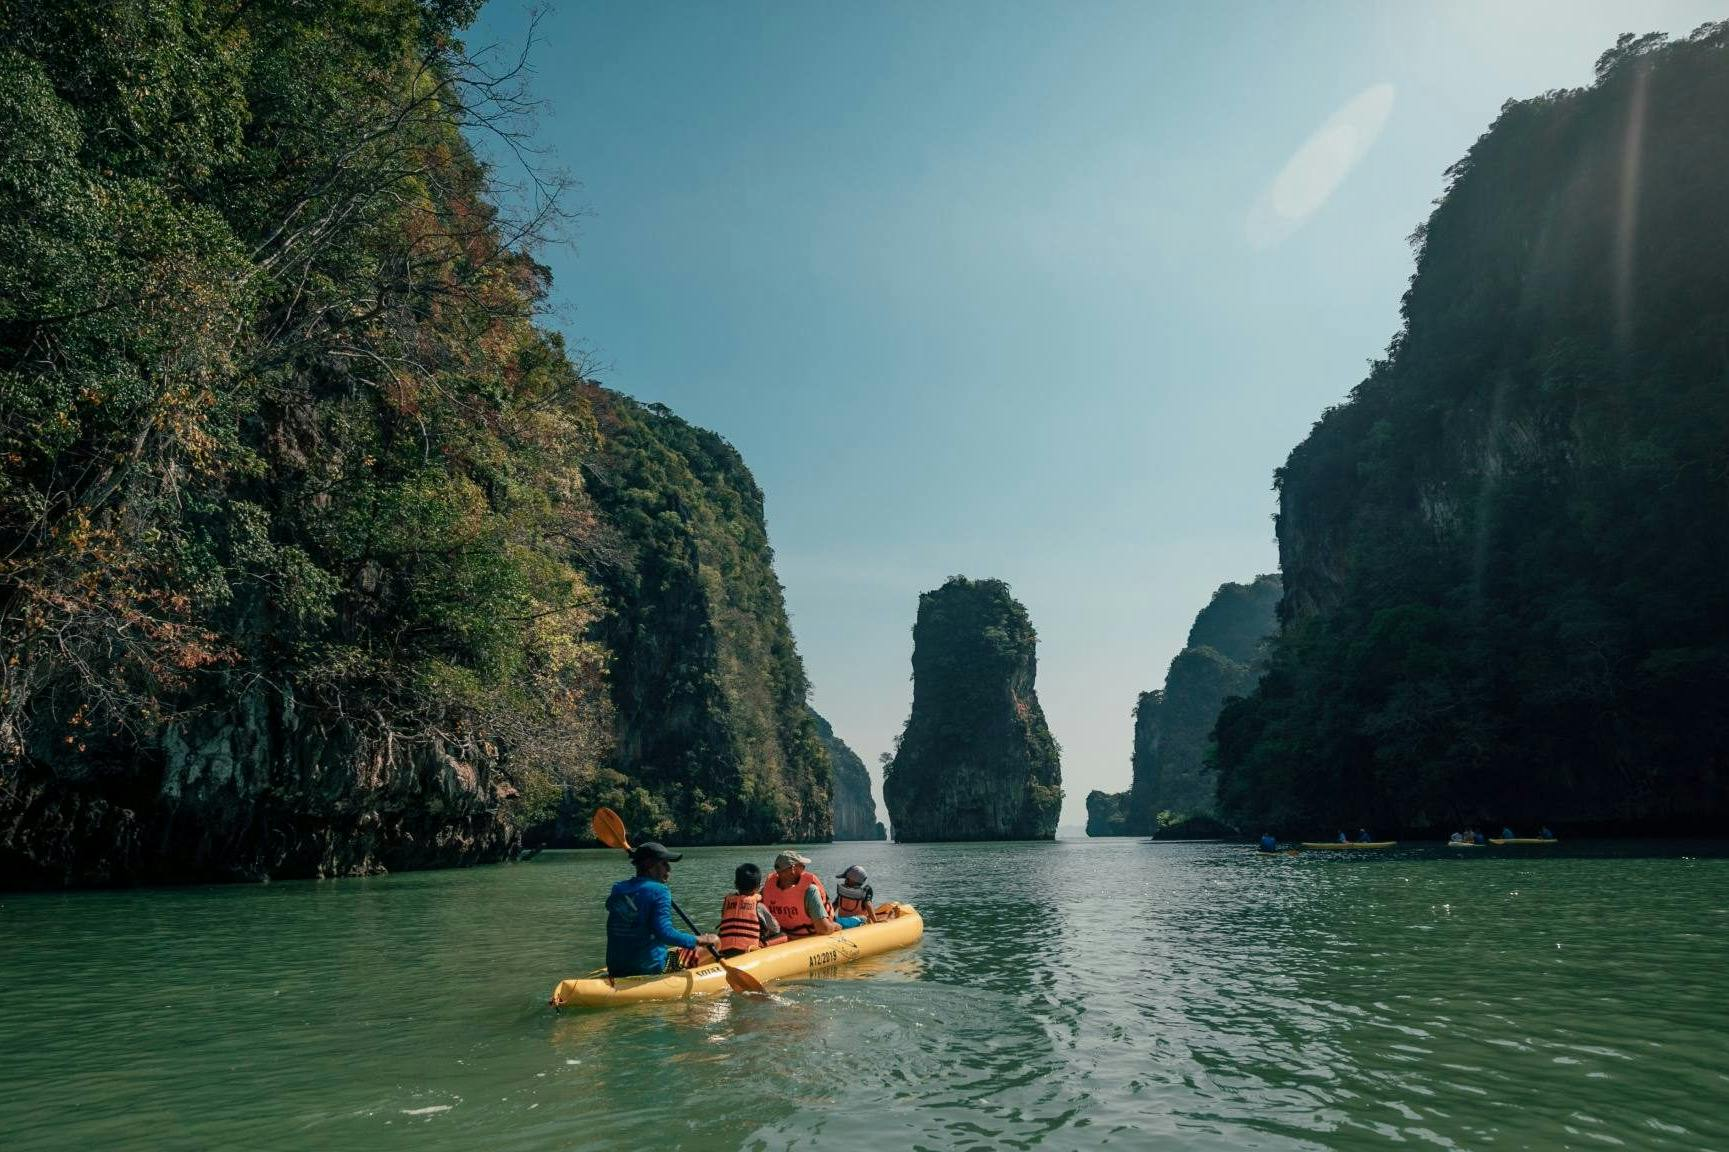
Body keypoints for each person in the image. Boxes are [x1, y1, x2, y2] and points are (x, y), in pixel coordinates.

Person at [604, 841, 719, 978]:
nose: (669, 869)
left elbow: (613, 907)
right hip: (652, 968)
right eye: (664, 864)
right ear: (650, 866)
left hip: (616, 968)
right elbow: (665, 934)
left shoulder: (618, 888)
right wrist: (699, 939)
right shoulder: (660, 891)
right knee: (716, 941)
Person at [760, 849, 838, 938]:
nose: (804, 869)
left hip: (780, 937)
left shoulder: (766, 889)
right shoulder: (810, 890)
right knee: (845, 923)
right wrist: (836, 926)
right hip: (805, 938)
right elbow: (823, 929)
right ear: (793, 868)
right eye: (802, 866)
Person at [715, 863, 785, 957]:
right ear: (758, 887)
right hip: (748, 951)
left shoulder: (727, 902)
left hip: (725, 950)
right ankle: (761, 946)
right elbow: (775, 929)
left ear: (736, 884)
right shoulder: (758, 905)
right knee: (783, 935)